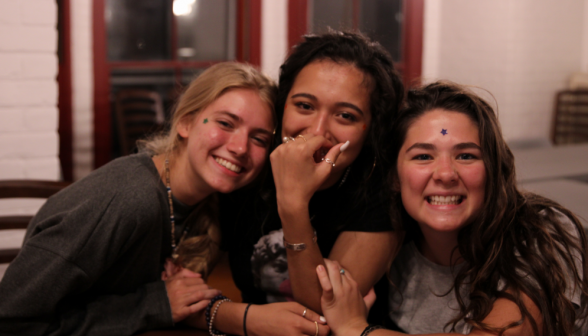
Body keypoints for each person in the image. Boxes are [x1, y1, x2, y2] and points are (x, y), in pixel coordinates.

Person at [0, 62, 278, 336]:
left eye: (259, 139)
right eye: (226, 123)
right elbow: (12, 319)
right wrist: (154, 303)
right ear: (185, 122)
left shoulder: (213, 202)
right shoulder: (129, 200)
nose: (241, 147)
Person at [316, 81, 588, 336]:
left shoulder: (545, 232)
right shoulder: (394, 254)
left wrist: (357, 329)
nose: (446, 174)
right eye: (423, 156)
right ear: (394, 178)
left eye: (466, 156)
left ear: (492, 170)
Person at [192, 31, 404, 336]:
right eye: (304, 106)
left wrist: (293, 203)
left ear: (371, 130)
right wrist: (235, 316)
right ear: (282, 107)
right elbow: (174, 289)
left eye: (345, 115)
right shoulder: (249, 164)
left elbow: (324, 315)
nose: (317, 130)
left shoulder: (380, 194)